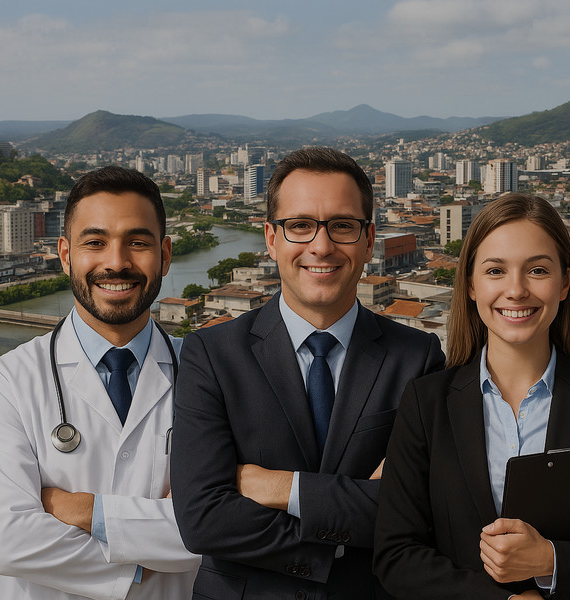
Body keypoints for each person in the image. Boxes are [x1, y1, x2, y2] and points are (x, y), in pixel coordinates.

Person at [170, 147, 445, 599]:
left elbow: (423, 512)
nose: (321, 245)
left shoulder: (416, 356)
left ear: (369, 239)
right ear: (271, 239)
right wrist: (343, 531)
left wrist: (282, 487)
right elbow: (203, 521)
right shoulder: (212, 354)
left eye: (342, 226)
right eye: (300, 226)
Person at [374, 194, 570, 600]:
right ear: (472, 285)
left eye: (537, 270)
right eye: (496, 270)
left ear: (565, 282)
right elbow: (395, 555)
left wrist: (551, 561)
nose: (516, 290)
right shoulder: (427, 403)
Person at [0, 166, 200, 600]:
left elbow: (234, 526)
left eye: (138, 242)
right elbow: (8, 542)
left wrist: (82, 510)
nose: (116, 262)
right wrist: (141, 561)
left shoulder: (209, 374)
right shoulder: (6, 381)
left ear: (165, 254)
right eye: (95, 242)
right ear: (65, 254)